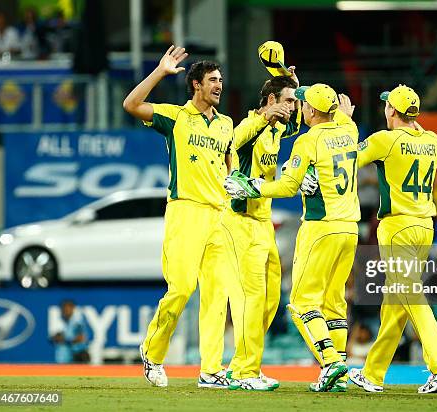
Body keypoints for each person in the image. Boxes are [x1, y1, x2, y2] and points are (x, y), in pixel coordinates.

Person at [225, 84, 360, 392]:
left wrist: (253, 187)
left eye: (302, 104)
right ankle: (337, 368)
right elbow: (344, 124)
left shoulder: (307, 140)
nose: (299, 109)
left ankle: (331, 363)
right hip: (350, 228)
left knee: (300, 303)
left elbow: (287, 187)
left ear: (311, 110)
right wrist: (344, 117)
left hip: (320, 227)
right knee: (334, 301)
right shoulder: (350, 130)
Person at [123, 46, 235, 388]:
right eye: (212, 80)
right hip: (186, 211)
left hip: (219, 215)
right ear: (196, 85)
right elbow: (131, 105)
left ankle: (210, 369)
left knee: (217, 294)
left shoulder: (226, 124)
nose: (219, 85)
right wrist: (159, 72)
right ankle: (153, 352)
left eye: (220, 79)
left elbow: (228, 166)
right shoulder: (175, 117)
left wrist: (234, 191)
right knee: (182, 288)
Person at [347, 85, 437, 394]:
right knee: (395, 302)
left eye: (387, 106)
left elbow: (348, 158)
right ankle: (373, 373)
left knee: (410, 295)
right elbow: (417, 133)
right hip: (425, 227)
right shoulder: (431, 140)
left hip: (397, 227)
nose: (385, 109)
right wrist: (410, 120)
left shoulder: (385, 140)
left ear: (392, 111)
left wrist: (344, 122)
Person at [223, 73, 302, 391]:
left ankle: (239, 365)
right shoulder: (252, 126)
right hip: (241, 224)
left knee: (270, 301)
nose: (293, 108)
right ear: (271, 101)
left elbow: (301, 121)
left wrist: (295, 83)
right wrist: (262, 117)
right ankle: (245, 373)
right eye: (288, 101)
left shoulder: (278, 127)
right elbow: (230, 142)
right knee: (253, 298)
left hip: (264, 225)